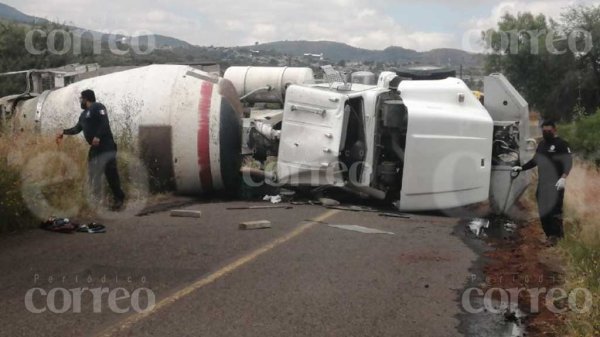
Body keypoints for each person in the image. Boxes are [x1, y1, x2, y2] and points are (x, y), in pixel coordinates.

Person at [56, 89, 125, 211]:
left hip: (106, 145)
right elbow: (77, 129)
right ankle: (96, 200)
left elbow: (105, 122)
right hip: (95, 148)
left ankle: (119, 198)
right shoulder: (83, 115)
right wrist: (64, 132)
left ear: (86, 98)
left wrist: (98, 136)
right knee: (93, 173)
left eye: (81, 99)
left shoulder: (98, 107)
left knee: (110, 173)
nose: (80, 101)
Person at [512, 120, 573, 245]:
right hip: (543, 183)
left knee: (554, 211)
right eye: (544, 131)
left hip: (556, 183)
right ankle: (549, 235)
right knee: (543, 211)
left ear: (554, 130)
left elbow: (568, 163)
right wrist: (521, 168)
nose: (546, 133)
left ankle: (557, 237)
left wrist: (563, 177)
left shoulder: (561, 144)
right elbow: (535, 161)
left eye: (549, 131)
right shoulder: (542, 145)